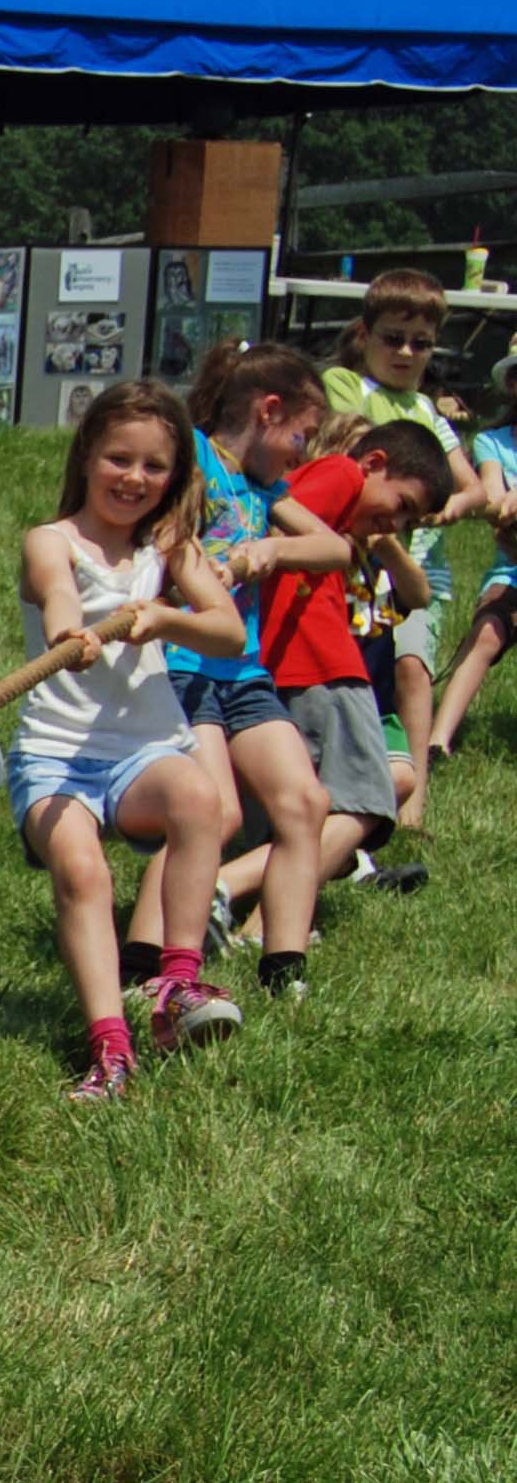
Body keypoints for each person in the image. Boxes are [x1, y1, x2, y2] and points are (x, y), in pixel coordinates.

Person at [7, 380, 247, 1099]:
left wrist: (165, 619)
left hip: (144, 751)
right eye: (119, 459)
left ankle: (177, 983)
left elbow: (230, 632)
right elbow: (55, 591)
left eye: (154, 467)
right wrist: (67, 634)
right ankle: (111, 1049)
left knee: (199, 798)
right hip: (56, 755)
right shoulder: (52, 541)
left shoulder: (170, 546)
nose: (135, 479)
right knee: (83, 872)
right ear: (86, 457)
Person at [127, 341, 348, 998]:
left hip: (243, 671)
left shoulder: (263, 485)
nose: (303, 453)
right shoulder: (191, 456)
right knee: (213, 812)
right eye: (302, 434)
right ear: (269, 409)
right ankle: (143, 964)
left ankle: (284, 970)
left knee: (306, 801)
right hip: (183, 663)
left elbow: (334, 546)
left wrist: (266, 549)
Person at [212, 417, 455, 986]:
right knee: (370, 804)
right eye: (400, 503)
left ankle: (254, 930)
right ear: (372, 464)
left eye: (409, 520)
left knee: (304, 814)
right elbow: (282, 516)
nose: (395, 521)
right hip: (322, 662)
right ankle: (223, 884)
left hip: (288, 662)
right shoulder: (342, 473)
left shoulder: (346, 507)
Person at [321, 269, 498, 830]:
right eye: (392, 337)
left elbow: (470, 485)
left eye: (421, 343)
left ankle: (413, 799)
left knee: (413, 670)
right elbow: (360, 437)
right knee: (360, 675)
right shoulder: (349, 387)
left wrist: (449, 506)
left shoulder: (431, 414)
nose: (405, 352)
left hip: (421, 572)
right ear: (365, 334)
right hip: (359, 566)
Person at [435, 355, 517, 753]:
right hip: (513, 568)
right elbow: (493, 497)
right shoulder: (493, 442)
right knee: (487, 631)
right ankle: (438, 740)